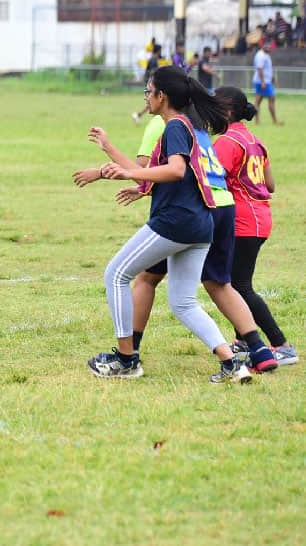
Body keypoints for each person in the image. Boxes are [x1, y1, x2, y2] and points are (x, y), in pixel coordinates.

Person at [76, 99, 278, 373]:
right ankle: (250, 352)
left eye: (149, 90)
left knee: (136, 277)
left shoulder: (167, 126)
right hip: (220, 209)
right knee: (211, 289)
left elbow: (154, 173)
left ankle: (128, 356)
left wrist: (108, 159)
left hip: (185, 213)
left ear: (163, 97)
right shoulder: (200, 129)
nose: (145, 97)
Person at [213, 87, 297, 365]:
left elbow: (211, 179)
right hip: (261, 218)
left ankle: (281, 345)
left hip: (243, 221)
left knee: (239, 286)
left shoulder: (227, 142)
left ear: (225, 111)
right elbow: (270, 185)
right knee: (236, 283)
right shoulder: (254, 140)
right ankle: (242, 341)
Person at [132, 44, 162, 124]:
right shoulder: (153, 60)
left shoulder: (152, 59)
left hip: (150, 84)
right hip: (151, 85)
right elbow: (153, 73)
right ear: (158, 51)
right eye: (160, 50)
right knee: (154, 103)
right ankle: (139, 116)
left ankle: (138, 115)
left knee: (153, 103)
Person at [252, 40, 280, 125]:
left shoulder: (266, 55)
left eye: (270, 46)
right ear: (262, 46)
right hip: (262, 82)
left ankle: (257, 121)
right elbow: (259, 69)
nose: (269, 48)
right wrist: (263, 82)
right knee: (271, 99)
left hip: (265, 81)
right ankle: (275, 121)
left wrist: (273, 79)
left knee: (258, 102)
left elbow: (268, 69)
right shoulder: (260, 55)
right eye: (267, 46)